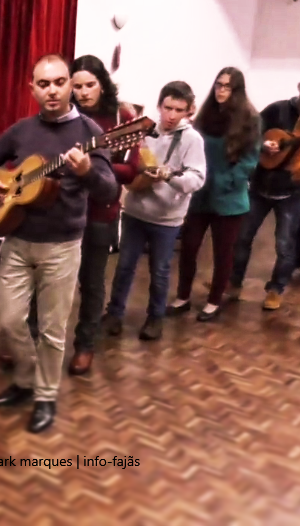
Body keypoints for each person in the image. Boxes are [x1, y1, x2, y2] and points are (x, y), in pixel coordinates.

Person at [0, 54, 116, 433]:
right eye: (44, 83)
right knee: (10, 320)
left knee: (52, 330)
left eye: (59, 82)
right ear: (32, 88)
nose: (52, 90)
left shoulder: (90, 133)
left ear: (69, 84)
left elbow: (109, 189)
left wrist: (86, 172)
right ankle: (24, 380)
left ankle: (45, 395)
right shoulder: (21, 130)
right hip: (18, 240)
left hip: (62, 246)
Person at [102, 81, 206, 339]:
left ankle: (155, 318)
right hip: (135, 211)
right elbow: (126, 161)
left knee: (159, 271)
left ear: (188, 111)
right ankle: (114, 313)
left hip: (166, 218)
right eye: (167, 107)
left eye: (178, 110)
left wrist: (169, 176)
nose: (171, 115)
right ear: (159, 106)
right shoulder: (145, 130)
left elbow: (197, 179)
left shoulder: (193, 140)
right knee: (124, 266)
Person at [63, 55, 140, 374]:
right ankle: (30, 338)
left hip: (101, 212)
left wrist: (92, 169)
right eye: (76, 86)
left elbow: (132, 169)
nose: (83, 92)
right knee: (50, 280)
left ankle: (85, 346)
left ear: (102, 83)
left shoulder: (122, 116)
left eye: (89, 85)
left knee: (92, 284)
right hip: (63, 210)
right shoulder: (64, 115)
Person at [167, 68, 261, 321]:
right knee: (188, 247)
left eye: (228, 86)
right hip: (201, 194)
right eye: (219, 84)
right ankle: (183, 297)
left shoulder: (250, 119)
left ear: (237, 90)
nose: (221, 90)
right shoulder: (205, 115)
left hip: (229, 199)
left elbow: (250, 161)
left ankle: (213, 301)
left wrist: (227, 181)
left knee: (223, 252)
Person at [229, 83, 300, 310]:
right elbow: (249, 134)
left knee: (285, 244)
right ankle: (233, 282)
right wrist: (262, 145)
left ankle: (276, 289)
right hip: (260, 186)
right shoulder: (277, 110)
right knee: (242, 237)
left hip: (292, 192)